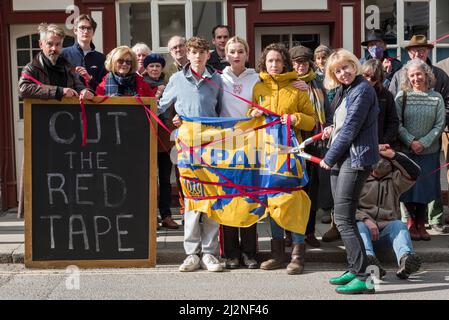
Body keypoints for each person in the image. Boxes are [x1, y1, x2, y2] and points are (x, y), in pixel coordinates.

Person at [158, 36, 223, 272]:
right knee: (193, 198)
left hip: (213, 145)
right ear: (188, 53)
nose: (197, 56)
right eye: (193, 52)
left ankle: (209, 253)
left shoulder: (217, 80)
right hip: (186, 146)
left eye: (201, 52)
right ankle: (191, 253)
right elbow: (160, 107)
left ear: (208, 55)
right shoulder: (176, 79)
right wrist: (172, 121)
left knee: (213, 197)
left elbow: (223, 111)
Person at [250, 43, 316, 275]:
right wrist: (253, 114)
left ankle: (298, 255)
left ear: (285, 63)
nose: (274, 65)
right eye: (270, 61)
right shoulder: (258, 87)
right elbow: (251, 120)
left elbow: (312, 121)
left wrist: (295, 118)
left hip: (291, 154)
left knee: (293, 202)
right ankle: (277, 254)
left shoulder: (298, 88)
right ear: (264, 63)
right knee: (272, 203)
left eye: (278, 60)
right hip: (266, 156)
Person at [320, 48, 379, 294]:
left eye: (345, 67)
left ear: (354, 65)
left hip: (355, 159)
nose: (342, 73)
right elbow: (341, 123)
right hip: (343, 157)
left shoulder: (363, 90)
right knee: (344, 216)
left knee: (344, 219)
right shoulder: (346, 90)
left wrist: (329, 158)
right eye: (337, 70)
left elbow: (352, 127)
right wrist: (330, 129)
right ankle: (355, 268)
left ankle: (364, 277)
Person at [389, 35, 449, 234]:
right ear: (408, 76)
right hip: (407, 149)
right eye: (413, 75)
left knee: (425, 186)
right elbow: (395, 121)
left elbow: (440, 123)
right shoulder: (402, 95)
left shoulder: (436, 97)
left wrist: (424, 142)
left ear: (427, 75)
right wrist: (411, 141)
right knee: (407, 187)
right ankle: (411, 223)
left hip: (429, 150)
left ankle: (421, 223)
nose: (416, 78)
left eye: (420, 75)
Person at [219, 36, 260, 269]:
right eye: (232, 52)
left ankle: (250, 252)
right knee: (228, 200)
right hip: (224, 145)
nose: (236, 55)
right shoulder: (218, 78)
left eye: (240, 51)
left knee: (249, 199)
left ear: (247, 54)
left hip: (251, 145)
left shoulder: (257, 78)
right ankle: (231, 253)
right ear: (226, 55)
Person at [289, 45, 332, 248]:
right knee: (293, 189)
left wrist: (329, 126)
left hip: (316, 142)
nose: (301, 66)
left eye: (304, 62)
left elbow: (328, 110)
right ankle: (290, 233)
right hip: (293, 141)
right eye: (297, 62)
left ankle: (309, 232)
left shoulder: (319, 82)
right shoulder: (287, 82)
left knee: (312, 190)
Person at [356, 148, 422, 280]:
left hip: (385, 232)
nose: (382, 161)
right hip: (363, 231)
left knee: (399, 225)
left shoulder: (395, 180)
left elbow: (415, 172)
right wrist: (365, 219)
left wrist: (393, 155)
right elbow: (345, 209)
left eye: (386, 159)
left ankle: (406, 260)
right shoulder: (358, 178)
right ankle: (368, 260)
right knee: (359, 226)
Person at [142, 53, 179, 230]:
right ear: (146, 68)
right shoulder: (141, 84)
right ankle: (150, 216)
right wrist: (155, 95)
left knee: (165, 179)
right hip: (147, 137)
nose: (155, 69)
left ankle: (166, 215)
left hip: (165, 138)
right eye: (151, 66)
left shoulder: (170, 84)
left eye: (157, 66)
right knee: (149, 179)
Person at [19, 23, 93, 101]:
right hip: (42, 113)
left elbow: (79, 87)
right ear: (41, 44)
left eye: (58, 44)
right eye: (50, 44)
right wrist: (60, 91)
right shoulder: (32, 68)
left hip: (67, 113)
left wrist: (85, 91)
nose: (54, 48)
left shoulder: (67, 67)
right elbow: (23, 89)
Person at [164, 35, 189, 217]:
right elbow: (165, 101)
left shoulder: (196, 66)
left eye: (181, 46)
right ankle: (184, 207)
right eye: (174, 48)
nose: (178, 50)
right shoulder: (167, 73)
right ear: (170, 52)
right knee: (180, 166)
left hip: (197, 126)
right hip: (175, 127)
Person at [61, 14, 106, 91]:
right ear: (75, 30)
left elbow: (103, 88)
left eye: (89, 28)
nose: (86, 31)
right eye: (82, 28)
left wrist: (89, 79)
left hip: (93, 101)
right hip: (69, 100)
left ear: (93, 32)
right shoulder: (63, 54)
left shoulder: (101, 58)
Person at [362, 59, 399, 147]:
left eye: (374, 77)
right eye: (366, 75)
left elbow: (393, 122)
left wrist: (383, 141)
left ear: (379, 78)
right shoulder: (352, 92)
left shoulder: (386, 95)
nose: (369, 80)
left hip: (378, 145)